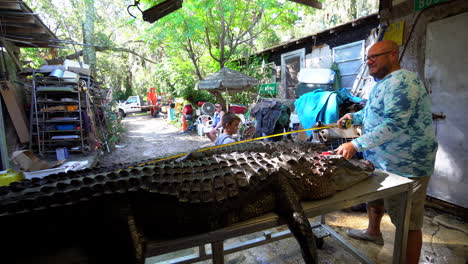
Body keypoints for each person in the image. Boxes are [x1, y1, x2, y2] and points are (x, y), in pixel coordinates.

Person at [335, 40, 438, 264]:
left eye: (375, 57)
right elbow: (372, 113)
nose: (369, 62)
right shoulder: (382, 84)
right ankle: (373, 232)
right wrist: (353, 118)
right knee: (376, 197)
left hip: (407, 164)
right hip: (383, 160)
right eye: (367, 58)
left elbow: (394, 124)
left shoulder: (404, 81)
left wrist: (356, 145)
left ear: (393, 55)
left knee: (408, 222)